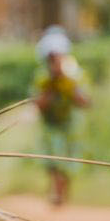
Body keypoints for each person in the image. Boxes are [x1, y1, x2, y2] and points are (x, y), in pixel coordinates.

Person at [32, 26, 89, 207]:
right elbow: (38, 105)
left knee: (69, 160)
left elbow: (84, 101)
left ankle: (62, 194)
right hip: (50, 124)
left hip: (70, 125)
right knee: (53, 160)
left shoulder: (75, 75)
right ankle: (57, 193)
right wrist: (51, 85)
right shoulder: (41, 77)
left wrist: (67, 83)